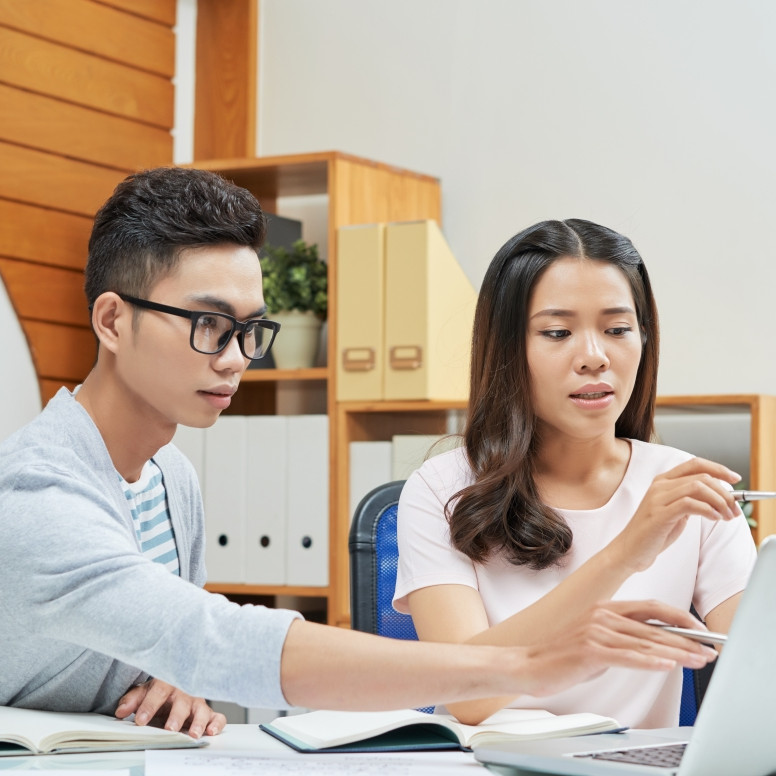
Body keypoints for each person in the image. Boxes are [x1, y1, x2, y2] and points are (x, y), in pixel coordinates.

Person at [0, 173, 719, 740]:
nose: (236, 359)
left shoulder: (169, 476)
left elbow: (165, 643)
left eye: (252, 330)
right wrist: (528, 662)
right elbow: (207, 635)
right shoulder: (38, 496)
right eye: (210, 325)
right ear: (112, 320)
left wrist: (176, 680)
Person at [393, 218, 758, 729]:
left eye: (617, 329)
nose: (594, 357)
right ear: (507, 349)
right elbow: (468, 693)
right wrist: (627, 552)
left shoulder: (684, 486)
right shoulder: (441, 489)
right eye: (558, 332)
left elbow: (760, 671)